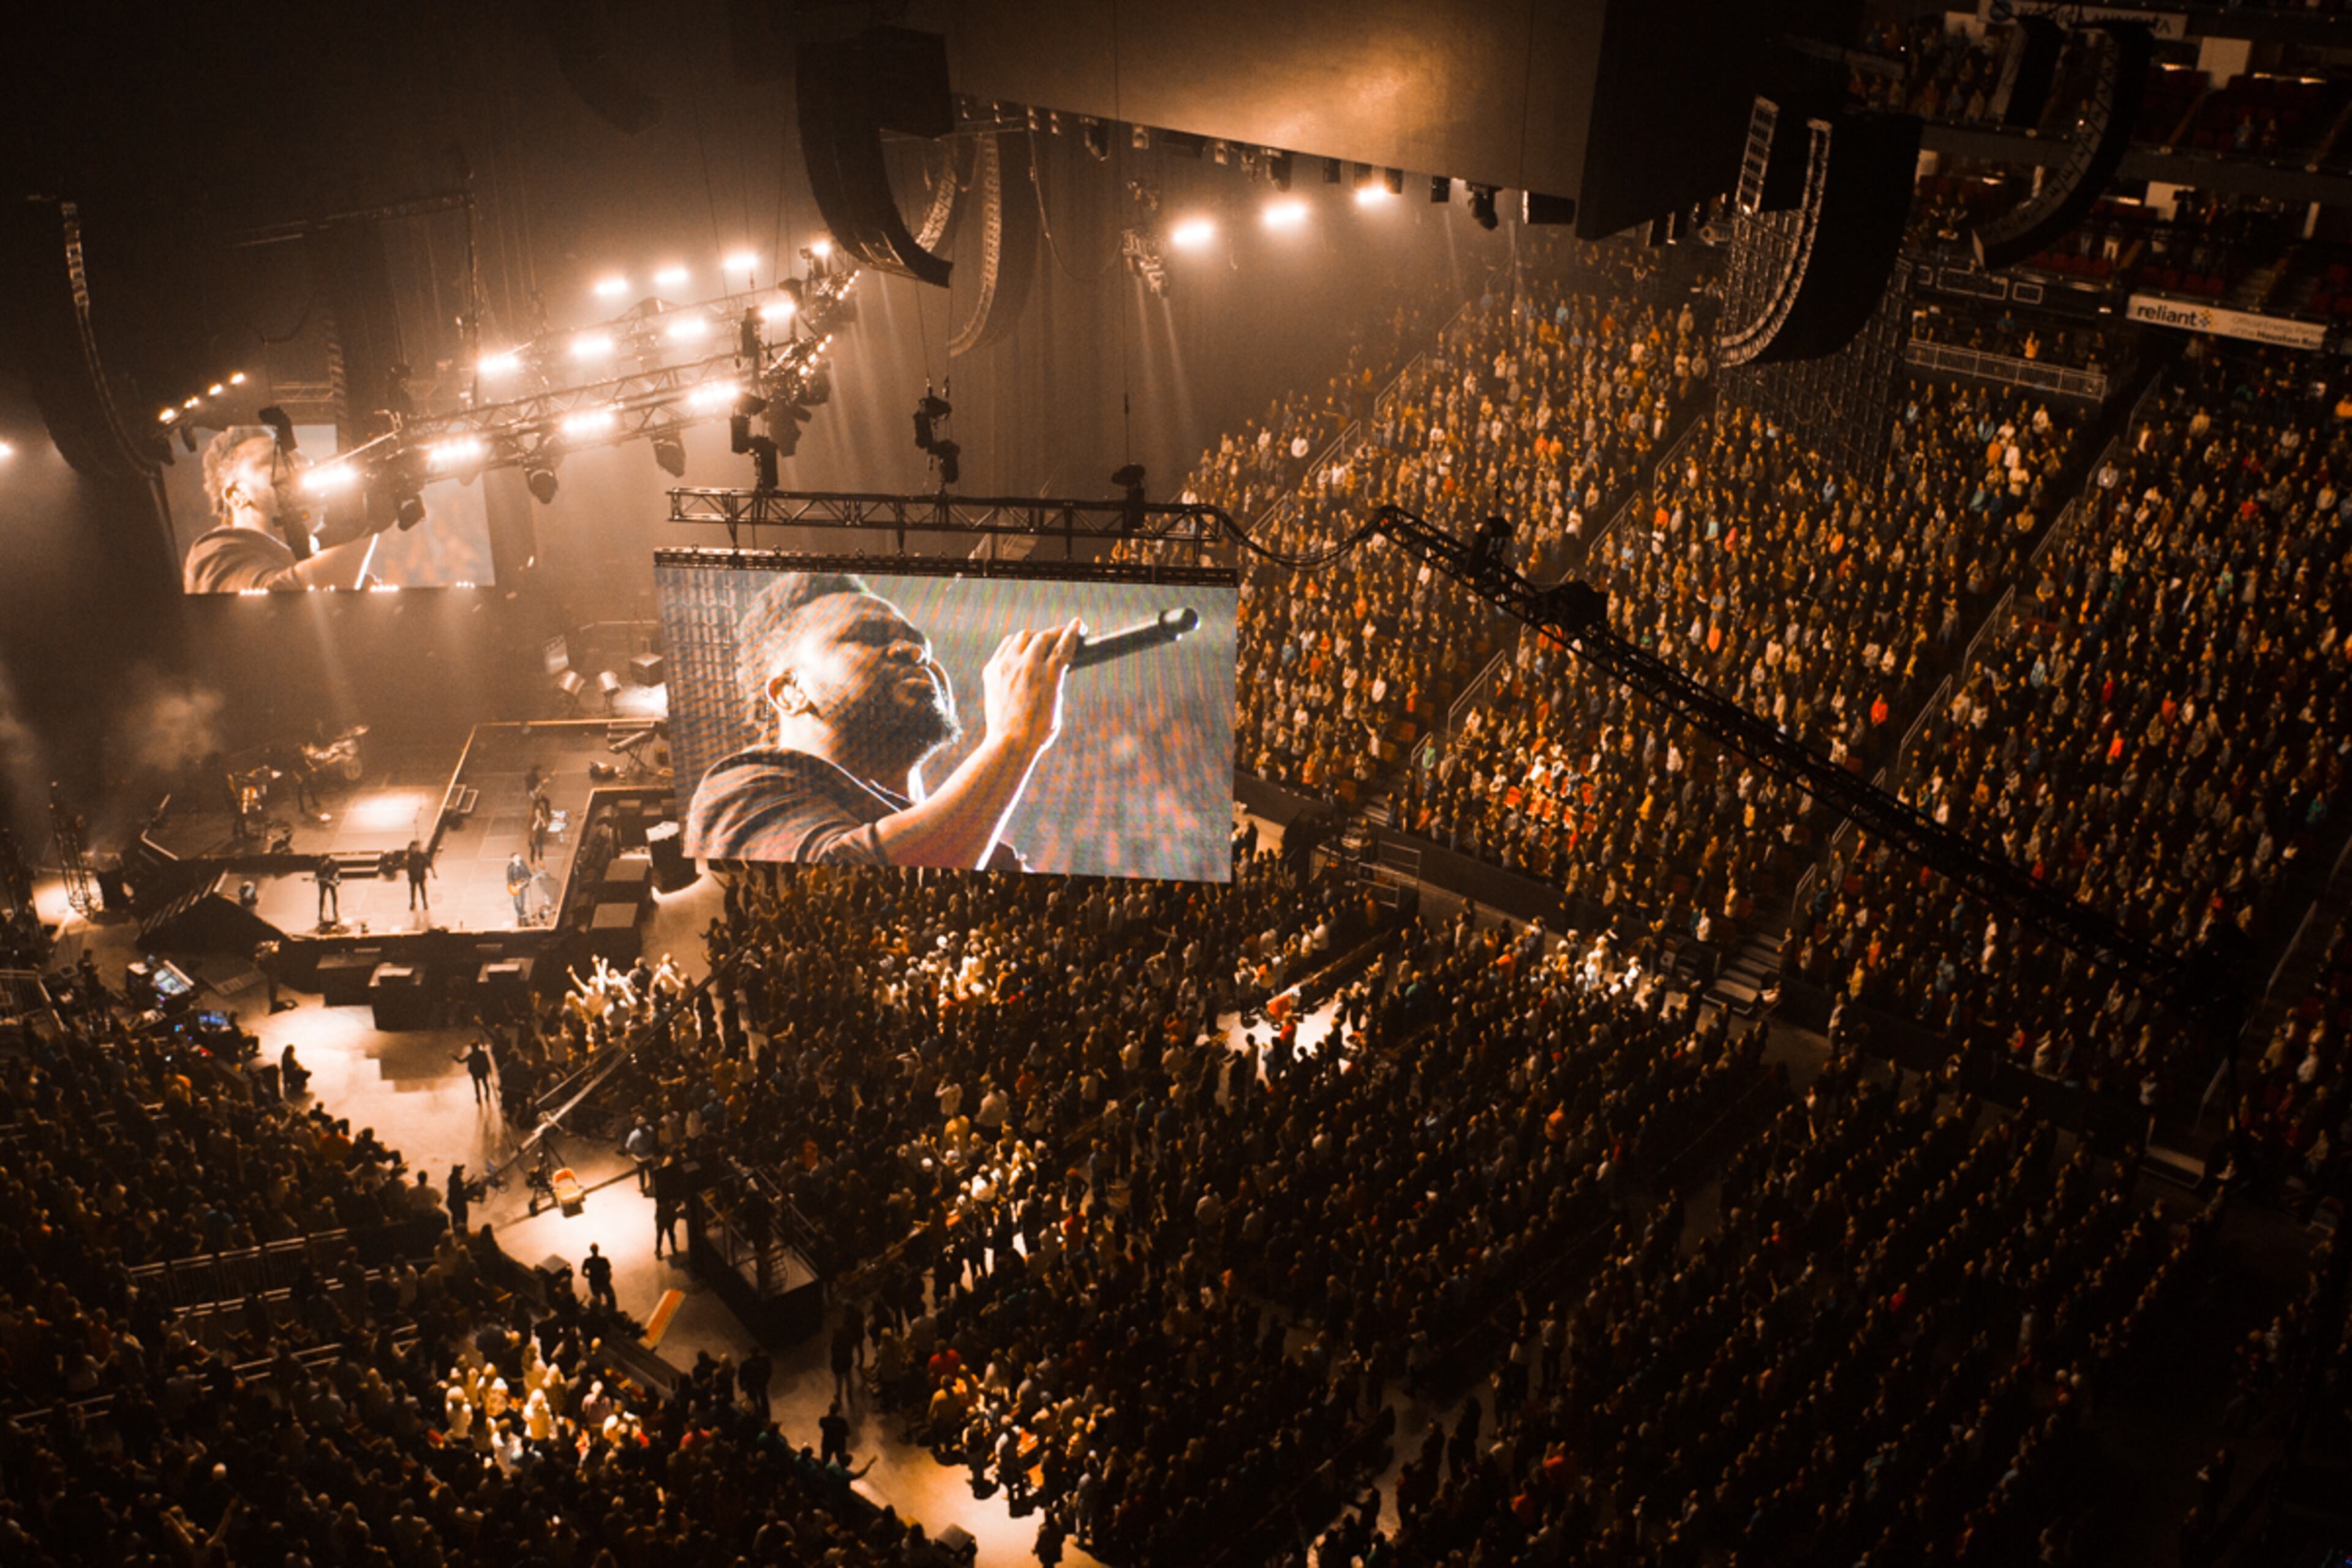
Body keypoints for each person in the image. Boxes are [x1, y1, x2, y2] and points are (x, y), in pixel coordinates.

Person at [684, 570, 1081, 869]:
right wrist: (1010, 743)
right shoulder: (741, 789)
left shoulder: (987, 850)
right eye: (869, 636)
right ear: (789, 691)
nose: (913, 652)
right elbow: (838, 881)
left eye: (921, 646)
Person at [182, 426, 378, 593]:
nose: (300, 468)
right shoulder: (215, 552)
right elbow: (278, 600)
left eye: (302, 461)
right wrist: (368, 524)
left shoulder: (314, 556)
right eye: (276, 462)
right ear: (236, 495)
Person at [457, 1038, 495, 1105]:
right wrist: (489, 1070)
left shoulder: (471, 1056)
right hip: (482, 1071)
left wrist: (454, 1057)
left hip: (475, 1072)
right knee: (485, 1084)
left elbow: (461, 1061)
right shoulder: (483, 1054)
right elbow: (487, 1063)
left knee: (477, 1086)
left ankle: (479, 1098)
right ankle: (487, 1096)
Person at [580, 1243, 616, 1311]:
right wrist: (608, 1279)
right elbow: (609, 1272)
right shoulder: (603, 1260)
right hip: (602, 1282)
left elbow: (583, 1273)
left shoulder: (588, 1261)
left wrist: (589, 1276)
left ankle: (601, 1312)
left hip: (596, 1283)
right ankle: (611, 1311)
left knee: (598, 1299)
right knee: (609, 1297)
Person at [818, 1400, 852, 1468]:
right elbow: (848, 1433)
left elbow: (822, 1426)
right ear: (838, 1411)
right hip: (839, 1444)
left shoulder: (823, 1420)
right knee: (841, 1463)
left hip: (827, 1444)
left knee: (825, 1462)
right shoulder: (842, 1421)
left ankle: (824, 1475)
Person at [405, 839, 435, 913]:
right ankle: (413, 903)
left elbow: (430, 863)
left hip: (421, 876)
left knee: (422, 890)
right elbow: (407, 866)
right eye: (413, 847)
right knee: (413, 890)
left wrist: (434, 873)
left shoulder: (421, 856)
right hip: (413, 876)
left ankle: (425, 903)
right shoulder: (409, 856)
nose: (414, 849)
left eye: (415, 847)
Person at [506, 853, 533, 925]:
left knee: (523, 899)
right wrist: (516, 885)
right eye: (516, 857)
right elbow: (509, 879)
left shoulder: (523, 864)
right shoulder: (510, 867)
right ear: (513, 860)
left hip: (523, 884)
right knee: (517, 902)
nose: (519, 858)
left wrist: (530, 878)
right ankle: (522, 914)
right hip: (516, 886)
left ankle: (521, 913)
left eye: (519, 856)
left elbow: (528, 873)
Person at [314, 857, 341, 927]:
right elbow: (316, 873)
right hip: (323, 882)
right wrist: (316, 878)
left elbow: (337, 871)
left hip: (331, 880)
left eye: (325, 862)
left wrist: (335, 878)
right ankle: (321, 913)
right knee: (322, 897)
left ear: (328, 860)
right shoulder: (318, 863)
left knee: (334, 895)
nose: (324, 863)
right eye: (323, 862)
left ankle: (335, 911)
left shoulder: (333, 863)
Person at [446, 1166, 472, 1235]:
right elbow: (462, 1193)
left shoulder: (452, 1178)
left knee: (456, 1216)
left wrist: (470, 1181)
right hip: (457, 1202)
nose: (462, 1172)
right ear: (457, 1173)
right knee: (462, 1216)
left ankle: (457, 1231)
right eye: (460, 1171)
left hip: (452, 1202)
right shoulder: (456, 1181)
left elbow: (463, 1185)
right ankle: (462, 1232)